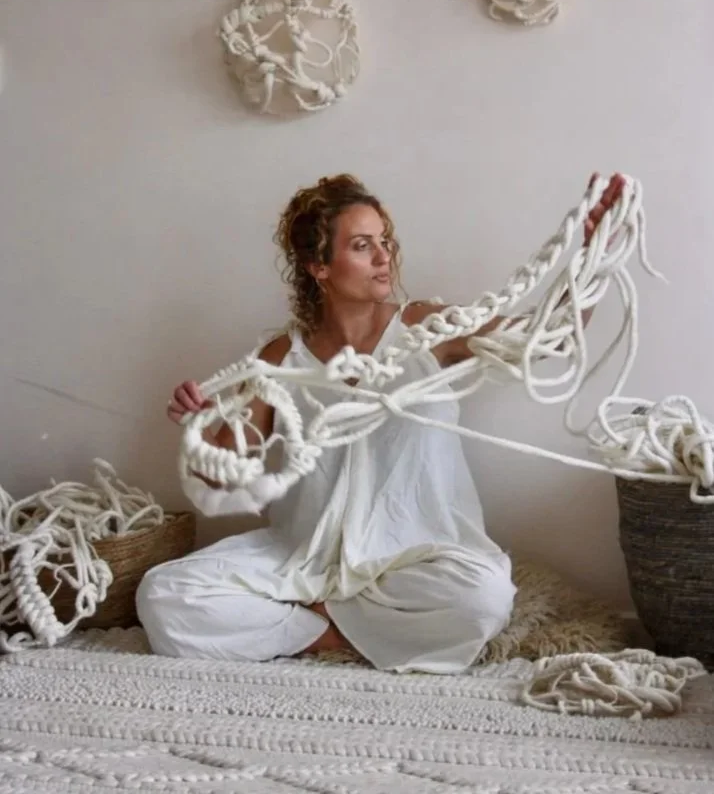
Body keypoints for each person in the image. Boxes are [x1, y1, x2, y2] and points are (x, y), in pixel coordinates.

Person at [136, 171, 624, 673]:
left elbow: (552, 338)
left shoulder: (426, 328)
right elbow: (222, 475)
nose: (384, 256)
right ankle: (337, 634)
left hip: (413, 558)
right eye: (362, 245)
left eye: (385, 242)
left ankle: (304, 624)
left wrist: (593, 253)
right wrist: (202, 429)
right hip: (302, 557)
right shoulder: (282, 356)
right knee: (164, 595)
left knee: (484, 599)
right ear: (318, 266)